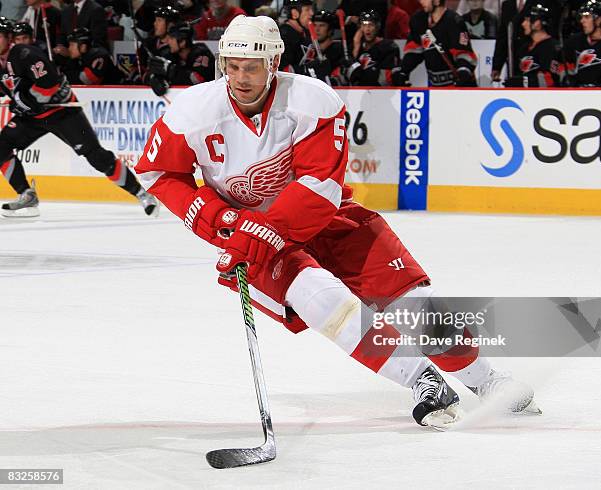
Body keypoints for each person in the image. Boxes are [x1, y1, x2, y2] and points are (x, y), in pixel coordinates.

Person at [135, 14, 538, 429]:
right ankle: (423, 380)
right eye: (232, 66)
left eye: (252, 66)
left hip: (327, 219)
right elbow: (158, 172)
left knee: (412, 304)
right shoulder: (193, 110)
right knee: (326, 304)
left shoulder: (313, 101)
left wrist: (260, 231)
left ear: (274, 62)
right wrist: (221, 222)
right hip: (247, 231)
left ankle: (487, 379)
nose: (241, 77)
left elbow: (320, 185)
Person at [0, 19, 158, 218]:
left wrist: (23, 101)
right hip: (33, 116)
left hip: (61, 112)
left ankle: (142, 194)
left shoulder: (24, 54)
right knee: (1, 146)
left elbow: (49, 85)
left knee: (96, 156)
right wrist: (21, 101)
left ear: (8, 38)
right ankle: (26, 194)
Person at [393, 0, 477, 87]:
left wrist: (463, 72)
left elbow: (464, 52)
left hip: (458, 86)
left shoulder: (454, 21)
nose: (421, 1)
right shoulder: (419, 20)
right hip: (435, 86)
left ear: (437, 1)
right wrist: (403, 70)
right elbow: (414, 50)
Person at [147, 21, 216, 97]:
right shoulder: (171, 54)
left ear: (182, 42)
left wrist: (171, 70)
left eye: (171, 38)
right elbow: (153, 72)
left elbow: (198, 80)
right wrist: (155, 79)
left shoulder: (201, 53)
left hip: (208, 99)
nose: (167, 41)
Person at [508, 4, 562, 86]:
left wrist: (524, 83)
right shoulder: (524, 48)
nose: (523, 24)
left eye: (527, 20)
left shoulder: (551, 47)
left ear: (537, 23)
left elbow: (550, 80)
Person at [344, 10, 400, 86]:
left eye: (371, 25)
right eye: (364, 25)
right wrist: (356, 48)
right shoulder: (354, 46)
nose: (367, 29)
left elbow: (385, 79)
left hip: (381, 93)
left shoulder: (388, 46)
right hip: (356, 93)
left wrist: (360, 75)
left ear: (377, 27)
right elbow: (347, 76)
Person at [564, 0, 601, 86]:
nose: (582, 21)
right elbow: (563, 65)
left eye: (587, 17)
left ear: (598, 20)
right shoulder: (574, 41)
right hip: (577, 94)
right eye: (581, 17)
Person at [299, 9, 346, 85]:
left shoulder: (339, 49)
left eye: (322, 25)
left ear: (330, 29)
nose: (317, 29)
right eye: (315, 25)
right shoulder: (309, 50)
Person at [279, 0, 314, 72]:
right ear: (294, 13)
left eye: (311, 9)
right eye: (307, 9)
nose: (312, 13)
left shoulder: (305, 32)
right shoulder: (284, 36)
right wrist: (308, 69)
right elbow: (283, 71)